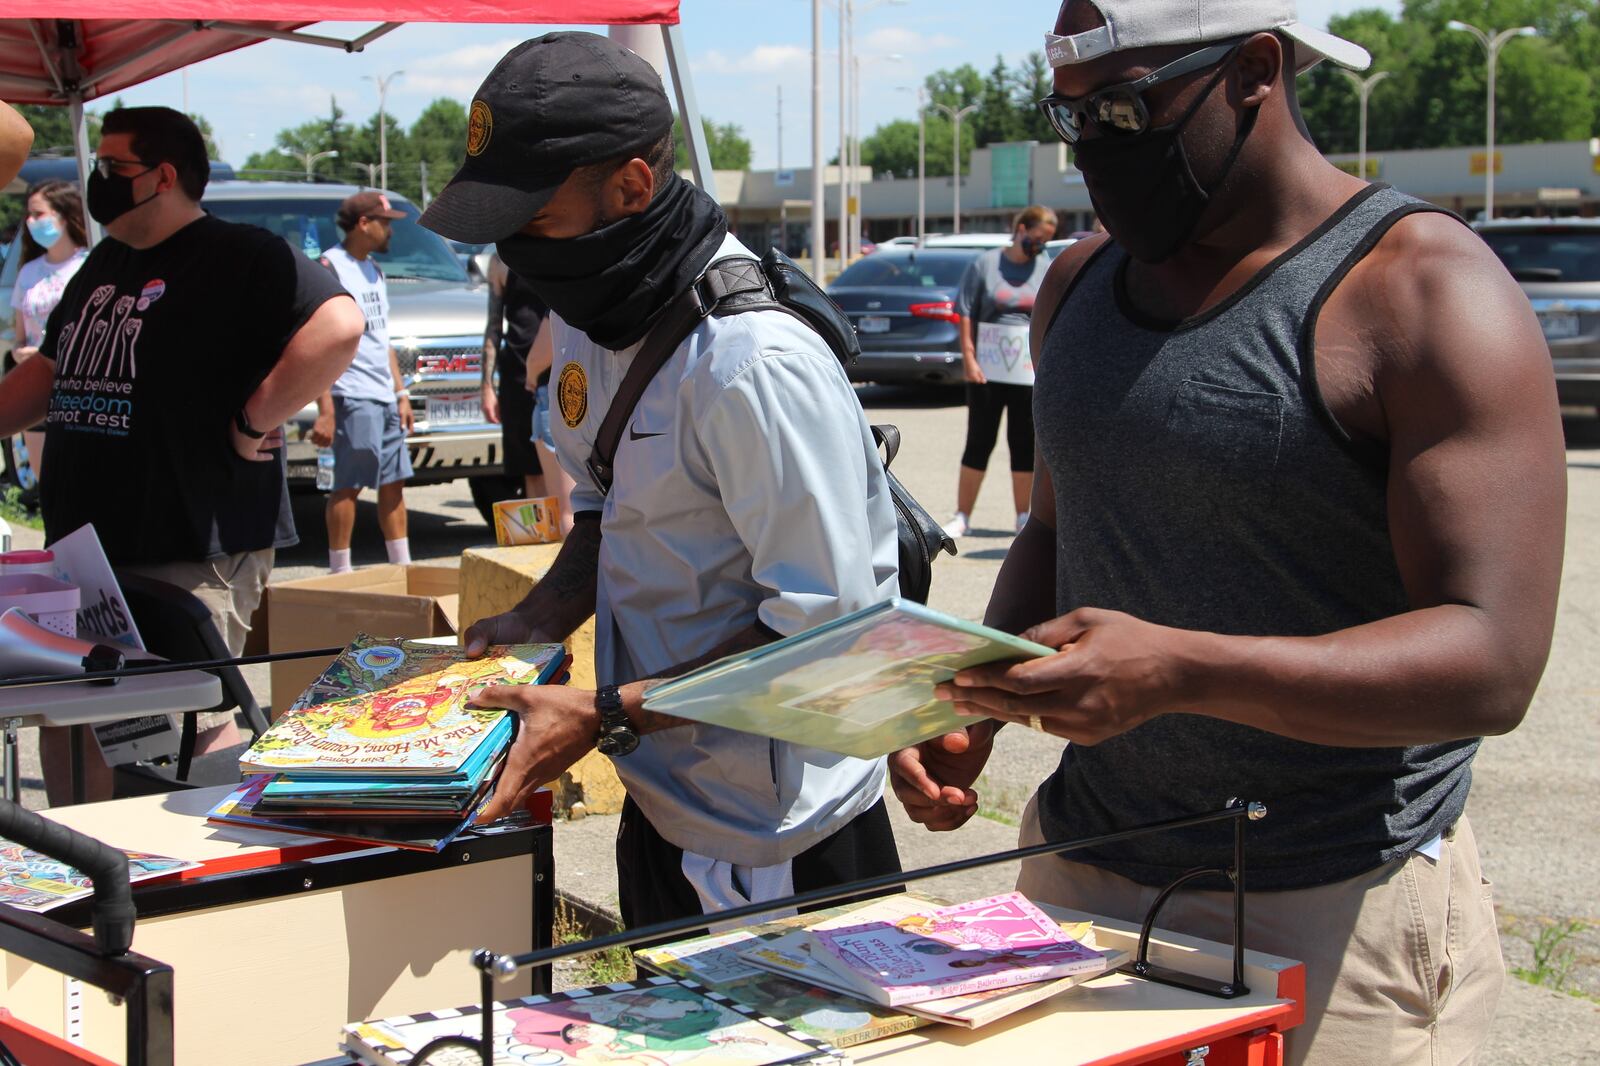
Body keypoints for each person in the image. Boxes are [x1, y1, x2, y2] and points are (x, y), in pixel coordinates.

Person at [890, 3, 1564, 1064]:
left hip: (1333, 902)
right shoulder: (1080, 284)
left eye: (1125, 106)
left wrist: (1180, 672)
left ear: (1255, 69)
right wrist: (974, 691)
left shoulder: (1422, 291)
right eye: (1072, 118)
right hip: (1084, 871)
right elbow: (1057, 532)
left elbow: (1492, 662)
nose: (1099, 149)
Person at [421, 32, 902, 927]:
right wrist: (540, 615)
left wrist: (602, 715)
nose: (521, 256)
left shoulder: (751, 364)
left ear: (632, 189)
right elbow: (606, 505)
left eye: (534, 223)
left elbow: (828, 638)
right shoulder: (602, 316)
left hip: (778, 837)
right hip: (665, 797)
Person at [0, 107, 363, 803]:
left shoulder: (239, 254)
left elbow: (340, 325)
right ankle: (79, 884)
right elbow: (50, 371)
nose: (99, 181)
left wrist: (255, 418)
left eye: (112, 168)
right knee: (70, 717)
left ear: (161, 176)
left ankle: (135, 894)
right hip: (88, 551)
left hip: (187, 548)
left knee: (152, 744)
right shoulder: (108, 259)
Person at [310, 191, 415, 573]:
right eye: (385, 223)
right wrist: (325, 408)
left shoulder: (374, 270)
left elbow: (381, 337)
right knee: (349, 484)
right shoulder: (329, 268)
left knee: (394, 483)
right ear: (363, 224)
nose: (390, 231)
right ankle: (341, 571)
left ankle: (402, 569)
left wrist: (400, 393)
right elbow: (319, 343)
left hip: (383, 394)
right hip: (351, 394)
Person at [944, 205, 1056, 539]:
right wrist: (969, 358)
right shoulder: (986, 264)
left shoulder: (1044, 267)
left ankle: (1023, 516)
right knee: (979, 439)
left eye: (1046, 241)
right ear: (1021, 229)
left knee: (1023, 443)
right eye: (1037, 238)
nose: (1040, 246)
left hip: (1025, 372)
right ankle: (962, 515)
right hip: (987, 371)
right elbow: (966, 312)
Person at [480, 252, 575, 534]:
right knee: (530, 472)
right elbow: (494, 326)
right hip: (517, 377)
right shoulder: (499, 261)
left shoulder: (559, 247)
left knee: (565, 483)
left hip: (556, 374)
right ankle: (539, 545)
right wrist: (486, 386)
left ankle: (559, 552)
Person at [11, 179, 89, 486]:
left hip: (77, 395)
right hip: (36, 393)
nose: (31, 222)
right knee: (48, 489)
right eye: (28, 215)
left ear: (64, 214)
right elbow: (20, 338)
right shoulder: (29, 271)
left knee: (78, 486)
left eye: (39, 214)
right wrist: (22, 353)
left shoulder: (88, 265)